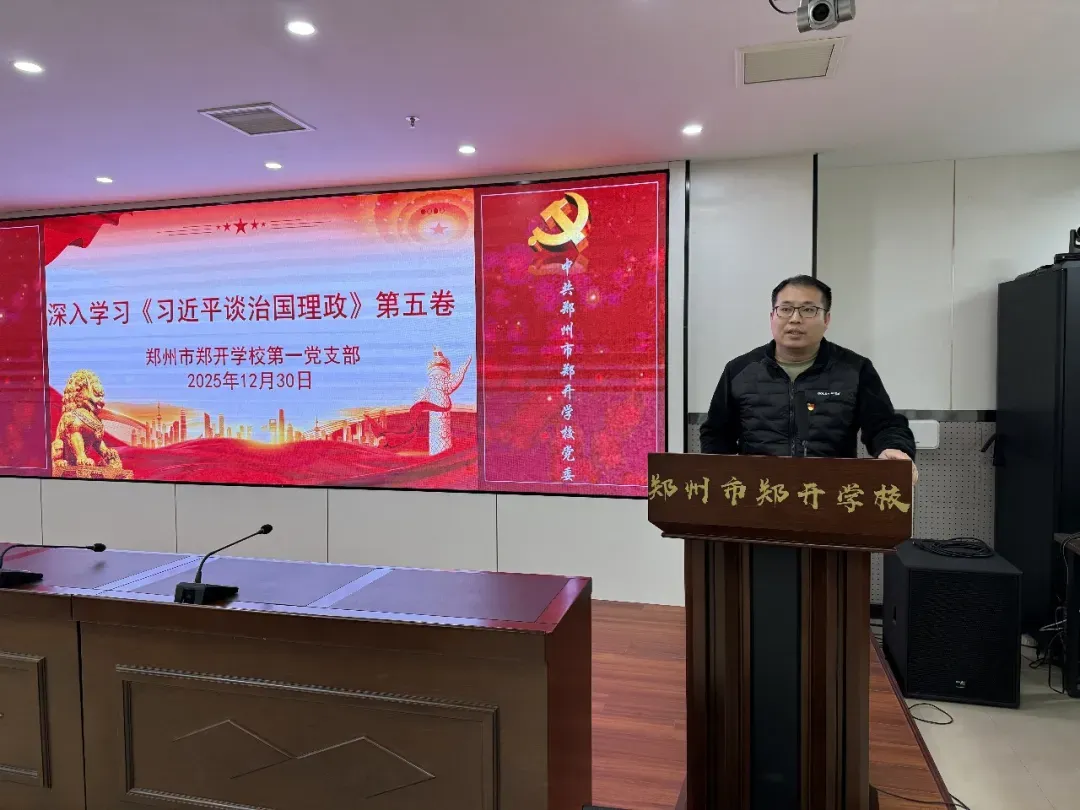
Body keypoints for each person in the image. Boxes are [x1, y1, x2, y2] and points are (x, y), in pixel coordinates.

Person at [700, 275, 917, 482]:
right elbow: (716, 433)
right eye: (785, 309)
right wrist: (723, 476)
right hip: (760, 492)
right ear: (772, 316)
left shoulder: (855, 369)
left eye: (808, 310)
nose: (795, 319)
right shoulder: (739, 369)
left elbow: (884, 425)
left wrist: (893, 447)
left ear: (826, 319)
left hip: (830, 491)